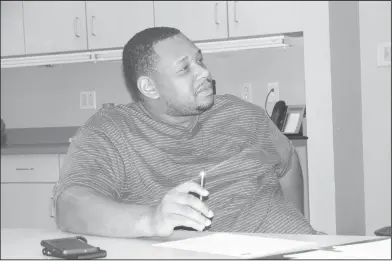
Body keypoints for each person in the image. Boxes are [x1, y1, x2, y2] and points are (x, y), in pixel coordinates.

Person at [53, 27, 322, 238]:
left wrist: (299, 233)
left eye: (200, 60)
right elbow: (70, 206)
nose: (204, 72)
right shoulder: (112, 131)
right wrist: (152, 219)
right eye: (185, 68)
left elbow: (287, 163)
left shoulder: (243, 114)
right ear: (149, 87)